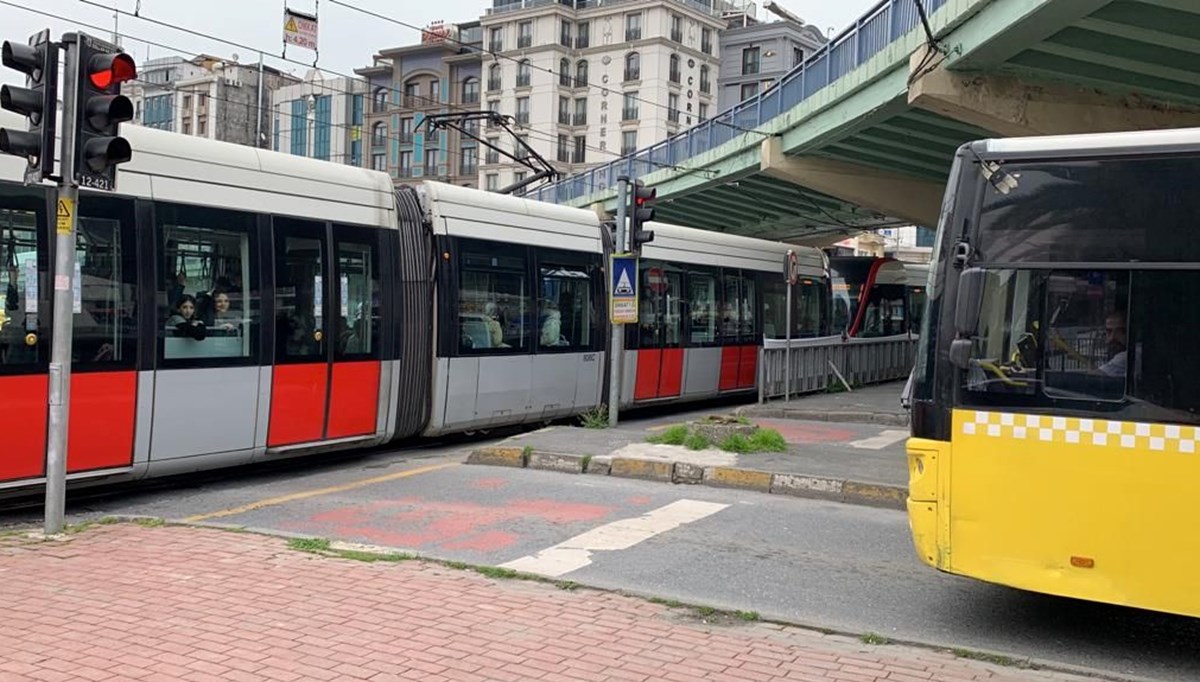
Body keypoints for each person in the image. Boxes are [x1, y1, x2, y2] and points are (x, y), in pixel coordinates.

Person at [1097, 310, 1127, 378]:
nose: (1113, 337)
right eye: (1109, 332)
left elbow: (1093, 376)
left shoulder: (1126, 357)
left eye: (1120, 332)